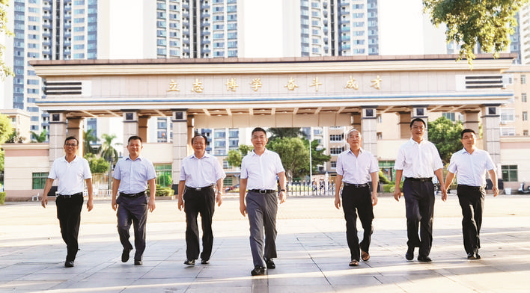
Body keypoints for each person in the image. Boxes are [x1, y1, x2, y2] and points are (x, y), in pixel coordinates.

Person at [393, 118, 447, 262]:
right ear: (411, 129)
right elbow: (399, 168)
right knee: (413, 217)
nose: (418, 130)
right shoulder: (404, 147)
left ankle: (424, 253)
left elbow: (438, 167)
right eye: (415, 127)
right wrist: (397, 187)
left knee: (427, 220)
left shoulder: (431, 147)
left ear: (424, 130)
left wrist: (442, 185)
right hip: (410, 185)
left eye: (421, 127)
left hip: (428, 185)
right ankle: (412, 244)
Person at [444, 129, 498, 260]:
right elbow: (451, 173)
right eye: (466, 137)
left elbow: (491, 171)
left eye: (471, 137)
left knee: (477, 219)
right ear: (462, 140)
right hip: (464, 191)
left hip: (479, 191)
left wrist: (495, 185)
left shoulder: (484, 155)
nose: (469, 139)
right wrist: (445, 188)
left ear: (475, 139)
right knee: (469, 217)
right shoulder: (456, 156)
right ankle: (471, 249)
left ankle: (475, 248)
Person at [239, 127, 287, 276]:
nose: (259, 140)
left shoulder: (274, 156)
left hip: (271, 196)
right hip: (253, 197)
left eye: (261, 137)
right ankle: (259, 264)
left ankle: (269, 256)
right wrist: (241, 202)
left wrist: (283, 190)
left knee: (271, 230)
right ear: (251, 140)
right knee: (256, 231)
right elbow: (242, 182)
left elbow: (281, 174)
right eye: (255, 137)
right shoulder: (246, 159)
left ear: (266, 139)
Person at [41, 136, 93, 268]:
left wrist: (90, 199)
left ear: (77, 147)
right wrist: (45, 195)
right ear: (64, 146)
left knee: (72, 228)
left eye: (73, 145)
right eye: (68, 144)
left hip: (76, 199)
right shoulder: (58, 163)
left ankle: (70, 258)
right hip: (61, 199)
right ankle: (73, 245)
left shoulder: (83, 162)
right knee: (64, 230)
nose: (70, 147)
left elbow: (89, 181)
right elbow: (50, 179)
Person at [178, 134, 226, 266]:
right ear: (192, 144)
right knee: (191, 226)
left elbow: (220, 177)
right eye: (196, 142)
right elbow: (182, 180)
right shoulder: (186, 161)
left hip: (207, 193)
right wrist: (179, 198)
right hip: (191, 194)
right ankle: (191, 256)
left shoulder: (213, 160)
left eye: (201, 142)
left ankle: (205, 255)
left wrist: (219, 193)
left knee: (207, 225)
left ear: (205, 145)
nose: (198, 145)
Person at [334, 129, 379, 267]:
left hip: (364, 191)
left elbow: (374, 174)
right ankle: (354, 256)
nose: (354, 139)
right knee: (351, 225)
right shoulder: (342, 157)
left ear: (361, 139)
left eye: (357, 136)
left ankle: (364, 246)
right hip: (348, 191)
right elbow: (339, 177)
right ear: (347, 140)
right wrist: (336, 196)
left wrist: (374, 193)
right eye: (351, 137)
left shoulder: (369, 156)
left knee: (368, 225)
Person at [111, 136, 156, 266]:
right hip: (124, 200)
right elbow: (116, 181)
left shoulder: (147, 163)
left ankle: (138, 256)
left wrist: (152, 199)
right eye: (132, 145)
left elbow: (152, 181)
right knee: (122, 226)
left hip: (140, 200)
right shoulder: (121, 163)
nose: (134, 147)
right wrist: (113, 198)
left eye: (137, 145)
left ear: (141, 147)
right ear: (128, 147)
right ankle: (127, 246)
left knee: (140, 230)